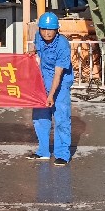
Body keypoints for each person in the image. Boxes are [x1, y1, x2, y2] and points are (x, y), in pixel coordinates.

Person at [26, 11, 73, 166]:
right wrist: (32, 52)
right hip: (42, 80)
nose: (46, 33)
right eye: (43, 29)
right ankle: (43, 151)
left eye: (50, 29)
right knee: (40, 117)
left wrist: (51, 95)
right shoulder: (38, 37)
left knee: (61, 118)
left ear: (57, 30)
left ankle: (62, 154)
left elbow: (58, 74)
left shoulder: (62, 45)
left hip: (60, 84)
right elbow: (38, 49)